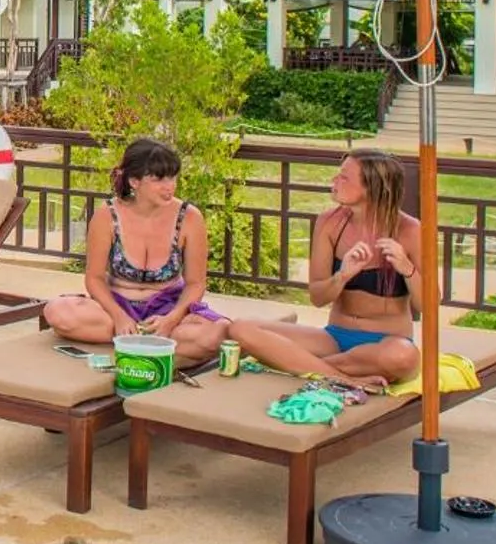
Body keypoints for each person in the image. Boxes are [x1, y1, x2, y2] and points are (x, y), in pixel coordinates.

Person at [229, 150, 422, 388]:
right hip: (334, 337)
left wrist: (408, 269)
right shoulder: (330, 222)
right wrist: (342, 276)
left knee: (404, 357)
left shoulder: (410, 230)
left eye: (344, 177)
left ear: (371, 188)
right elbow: (318, 297)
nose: (334, 181)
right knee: (241, 328)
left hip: (387, 342)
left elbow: (428, 306)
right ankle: (345, 378)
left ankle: (302, 364)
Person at [40, 137, 229, 366]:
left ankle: (135, 340)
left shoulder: (189, 217)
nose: (169, 186)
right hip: (116, 306)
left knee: (217, 333)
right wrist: (119, 316)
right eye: (158, 179)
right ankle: (150, 342)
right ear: (134, 181)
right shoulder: (107, 216)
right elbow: (95, 278)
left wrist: (171, 320)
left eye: (172, 177)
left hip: (168, 308)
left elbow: (196, 283)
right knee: (58, 312)